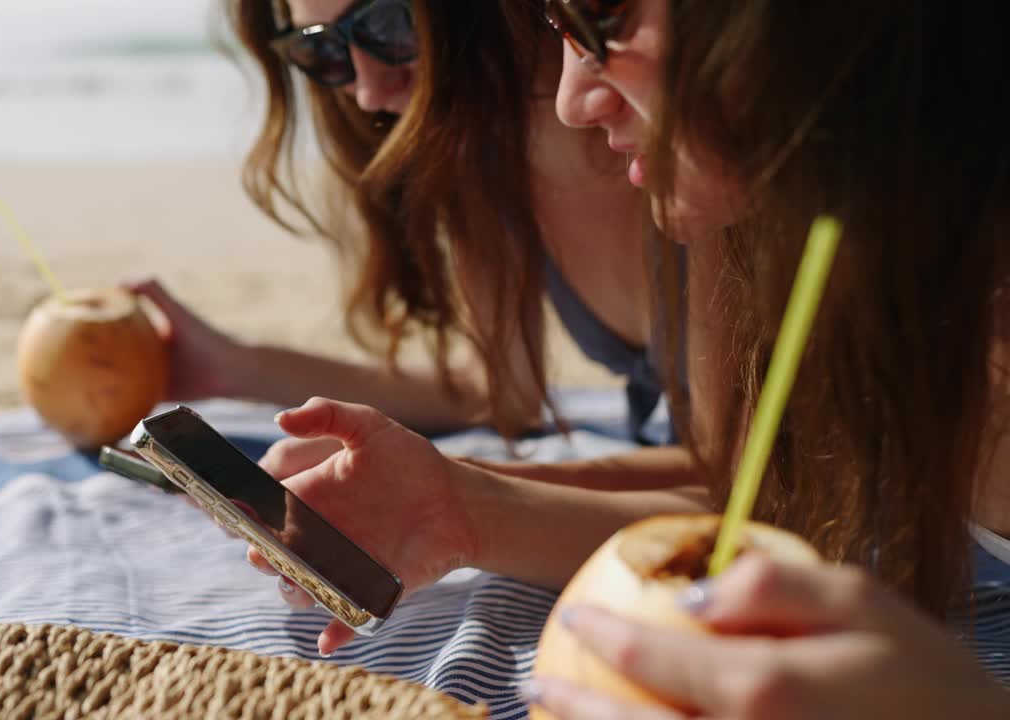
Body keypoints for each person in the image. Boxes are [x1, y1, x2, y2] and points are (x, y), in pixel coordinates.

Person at [250, 0, 1010, 714]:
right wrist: (454, 507)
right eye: (557, 23)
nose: (570, 101)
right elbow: (766, 485)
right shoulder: (864, 267)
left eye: (600, 17)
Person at [127, 0, 678, 451]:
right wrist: (230, 368)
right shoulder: (485, 168)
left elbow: (731, 473)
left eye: (389, 25)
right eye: (322, 50)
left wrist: (456, 499)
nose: (368, 91)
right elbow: (495, 391)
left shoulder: (684, 157)